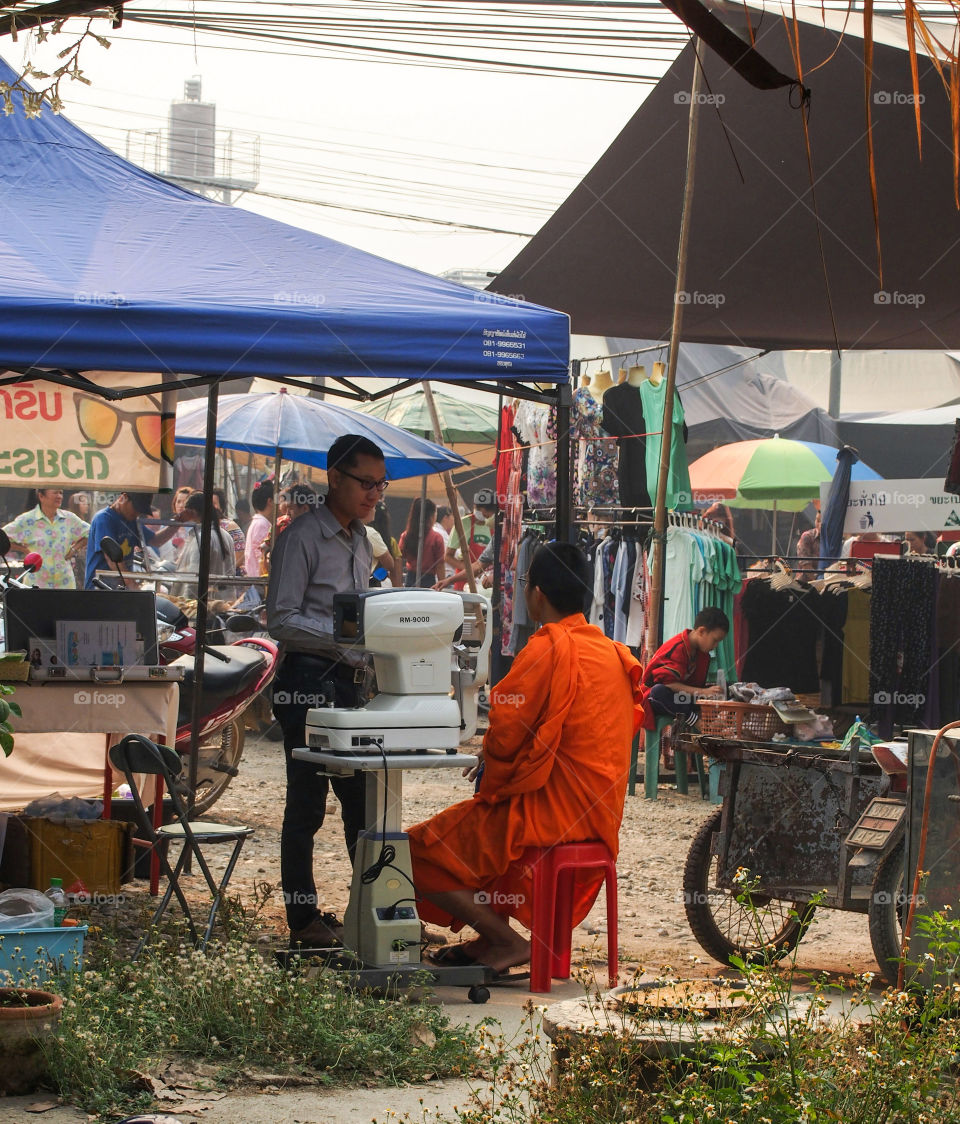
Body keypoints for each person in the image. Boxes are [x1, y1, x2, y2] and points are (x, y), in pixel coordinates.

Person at [408, 542, 643, 973]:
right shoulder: (612, 653)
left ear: (536, 594)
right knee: (478, 828)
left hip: (548, 819)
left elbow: (506, 734)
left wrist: (491, 771)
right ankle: (490, 942)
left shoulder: (546, 648)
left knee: (414, 851)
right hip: (600, 820)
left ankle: (506, 941)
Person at [266, 434, 386, 948]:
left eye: (381, 485)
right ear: (334, 477)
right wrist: (342, 637)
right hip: (307, 682)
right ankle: (302, 920)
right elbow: (281, 618)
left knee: (361, 804)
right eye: (365, 483)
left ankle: (367, 914)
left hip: (349, 682)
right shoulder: (302, 537)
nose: (374, 494)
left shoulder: (362, 539)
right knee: (307, 805)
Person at [639, 607, 729, 731]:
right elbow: (667, 683)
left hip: (682, 698)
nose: (715, 646)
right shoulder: (677, 648)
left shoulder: (703, 655)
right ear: (701, 631)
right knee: (658, 692)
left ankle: (714, 722)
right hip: (659, 699)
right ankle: (697, 722)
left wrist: (709, 692)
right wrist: (702, 692)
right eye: (715, 641)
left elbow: (696, 688)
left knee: (725, 691)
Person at [84, 491, 177, 588]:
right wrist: (131, 584)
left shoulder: (132, 521)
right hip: (99, 587)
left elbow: (155, 540)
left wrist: (177, 524)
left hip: (120, 587)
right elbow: (112, 559)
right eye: (136, 508)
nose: (137, 513)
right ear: (123, 498)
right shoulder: (104, 519)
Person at [2, 488, 89, 590]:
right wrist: (24, 550)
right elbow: (3, 537)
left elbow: (91, 532)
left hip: (64, 583)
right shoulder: (27, 520)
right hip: (36, 583)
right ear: (41, 496)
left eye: (61, 493)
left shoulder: (69, 519)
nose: (59, 496)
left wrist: (74, 549)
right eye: (55, 492)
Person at [175, 492, 238, 599]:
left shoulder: (200, 539)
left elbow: (193, 581)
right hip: (224, 603)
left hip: (201, 605)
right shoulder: (226, 536)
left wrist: (186, 604)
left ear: (192, 512)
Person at [445, 490, 497, 590]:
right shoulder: (462, 524)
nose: (478, 511)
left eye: (486, 515)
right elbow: (447, 556)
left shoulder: (493, 524)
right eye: (476, 508)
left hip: (486, 580)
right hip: (463, 578)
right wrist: (467, 568)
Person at [399, 498, 445, 587]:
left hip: (410, 579)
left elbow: (399, 558)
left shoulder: (405, 536)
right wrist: (442, 585)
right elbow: (440, 565)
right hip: (429, 581)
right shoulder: (436, 538)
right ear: (432, 516)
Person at [212, 487, 247, 575]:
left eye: (214, 503)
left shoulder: (230, 526)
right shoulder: (202, 526)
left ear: (221, 507)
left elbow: (239, 557)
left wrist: (223, 574)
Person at [245, 481, 274, 578]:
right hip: (259, 579)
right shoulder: (262, 524)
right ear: (270, 501)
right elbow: (261, 556)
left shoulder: (259, 522)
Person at [795, 510, 821, 583]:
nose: (820, 524)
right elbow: (806, 565)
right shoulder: (807, 537)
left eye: (822, 521)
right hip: (805, 585)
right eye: (818, 520)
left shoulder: (833, 539)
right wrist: (820, 582)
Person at [434, 505, 456, 579]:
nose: (454, 519)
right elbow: (455, 554)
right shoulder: (440, 533)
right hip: (445, 575)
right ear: (445, 518)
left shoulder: (439, 531)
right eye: (452, 516)